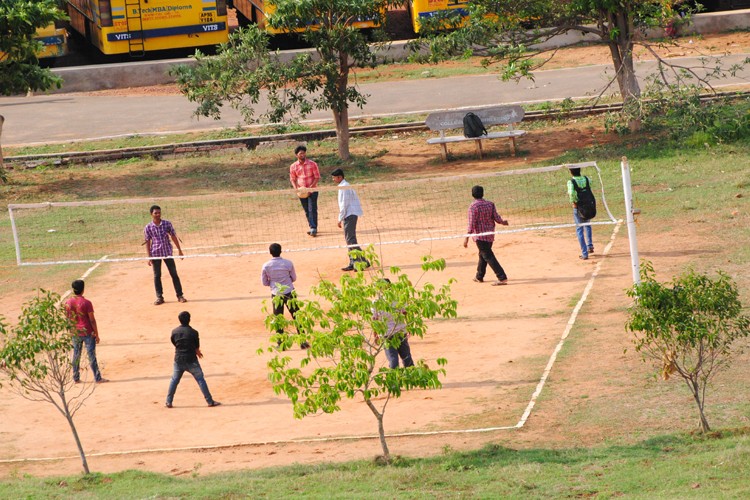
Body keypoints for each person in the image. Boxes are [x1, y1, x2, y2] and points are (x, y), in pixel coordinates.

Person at [165, 311, 220, 408]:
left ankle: (168, 401)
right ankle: (210, 401)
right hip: (191, 360)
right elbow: (196, 347)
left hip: (178, 359)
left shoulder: (174, 331)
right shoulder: (194, 332)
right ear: (189, 320)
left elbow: (174, 343)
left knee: (174, 380)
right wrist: (198, 352)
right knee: (200, 380)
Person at [261, 243, 309, 350]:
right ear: (281, 251)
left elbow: (264, 282)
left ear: (270, 253)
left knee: (278, 318)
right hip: (289, 292)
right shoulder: (288, 263)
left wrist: (273, 284)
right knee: (296, 315)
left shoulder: (266, 266)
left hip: (276, 294)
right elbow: (294, 278)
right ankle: (303, 341)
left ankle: (281, 343)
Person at [463, 185, 509, 286]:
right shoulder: (490, 204)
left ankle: (502, 277)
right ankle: (479, 276)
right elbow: (496, 217)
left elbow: (471, 224)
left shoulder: (473, 206)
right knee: (483, 254)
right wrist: (503, 222)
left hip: (480, 235)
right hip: (490, 234)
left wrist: (466, 239)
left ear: (472, 194)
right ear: (483, 193)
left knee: (487, 255)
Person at [64, 279, 108, 383]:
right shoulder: (87, 303)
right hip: (87, 332)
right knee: (91, 355)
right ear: (83, 290)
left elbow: (67, 318)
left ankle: (76, 377)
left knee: (76, 354)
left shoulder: (68, 302)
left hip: (75, 332)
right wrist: (97, 334)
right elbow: (92, 320)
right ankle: (97, 378)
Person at [144, 205, 187, 305]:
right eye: (155, 213)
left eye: (159, 212)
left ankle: (180, 295)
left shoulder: (167, 224)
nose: (158, 214)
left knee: (174, 274)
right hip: (156, 254)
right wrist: (149, 257)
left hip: (167, 252)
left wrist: (180, 250)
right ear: (151, 214)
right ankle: (159, 297)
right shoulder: (148, 227)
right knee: (157, 275)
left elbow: (173, 236)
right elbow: (147, 242)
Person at [331, 168, 368, 271]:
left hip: (350, 215)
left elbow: (344, 204)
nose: (333, 180)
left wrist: (340, 219)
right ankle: (353, 262)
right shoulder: (343, 186)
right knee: (349, 239)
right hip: (350, 214)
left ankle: (362, 261)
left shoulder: (344, 187)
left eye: (334, 178)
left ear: (340, 177)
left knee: (351, 240)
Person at [373, 279, 414, 369]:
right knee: (406, 357)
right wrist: (409, 327)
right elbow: (406, 314)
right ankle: (412, 378)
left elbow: (375, 320)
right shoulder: (399, 299)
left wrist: (375, 334)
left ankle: (394, 381)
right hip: (399, 332)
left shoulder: (376, 303)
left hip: (387, 334)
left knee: (393, 359)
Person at [289, 145, 321, 237]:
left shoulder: (312, 164)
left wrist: (310, 188)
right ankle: (311, 226)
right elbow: (293, 178)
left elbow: (317, 177)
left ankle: (313, 228)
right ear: (296, 155)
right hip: (301, 192)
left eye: (303, 153)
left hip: (312, 190)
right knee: (307, 210)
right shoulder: (293, 166)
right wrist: (296, 189)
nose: (302, 155)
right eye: (300, 153)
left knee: (312, 209)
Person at [567, 167, 595, 260]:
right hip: (588, 205)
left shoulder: (571, 182)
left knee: (579, 229)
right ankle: (590, 246)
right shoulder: (587, 179)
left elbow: (571, 194)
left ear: (571, 172)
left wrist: (574, 202)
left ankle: (584, 253)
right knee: (587, 224)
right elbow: (589, 187)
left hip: (579, 207)